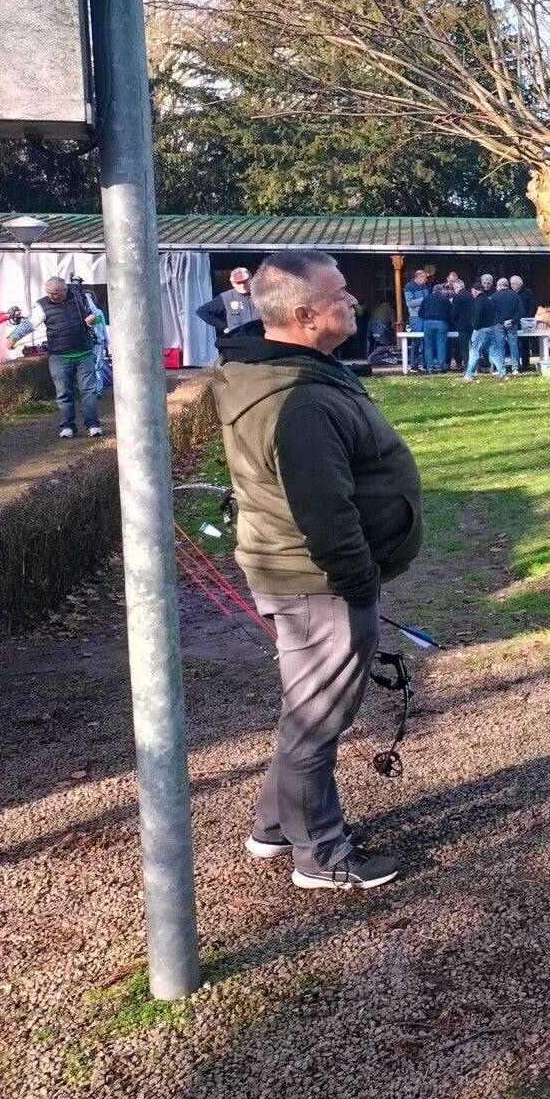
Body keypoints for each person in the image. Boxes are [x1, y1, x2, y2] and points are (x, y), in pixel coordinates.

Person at [211, 250, 422, 891]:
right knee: (317, 720)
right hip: (319, 585)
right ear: (304, 315)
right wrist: (358, 586)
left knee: (309, 708)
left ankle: (275, 827)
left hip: (308, 580)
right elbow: (324, 515)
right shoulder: (297, 399)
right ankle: (322, 857)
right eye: (340, 294)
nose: (353, 301)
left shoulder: (292, 370)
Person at [10, 277, 105, 439]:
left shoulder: (82, 299)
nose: (51, 296)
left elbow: (99, 317)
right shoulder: (42, 305)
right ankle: (68, 426)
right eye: (48, 293)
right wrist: (13, 337)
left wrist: (93, 320)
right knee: (63, 393)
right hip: (59, 356)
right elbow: (29, 324)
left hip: (84, 353)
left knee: (89, 391)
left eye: (55, 293)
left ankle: (93, 425)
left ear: (65, 290)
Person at [196, 266, 261, 339]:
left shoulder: (262, 294)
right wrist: (224, 327)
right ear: (232, 283)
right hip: (237, 340)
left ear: (251, 279)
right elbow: (201, 311)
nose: (242, 285)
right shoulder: (226, 297)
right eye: (238, 283)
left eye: (245, 281)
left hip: (259, 339)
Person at [461, 276, 502, 382]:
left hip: (481, 330)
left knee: (474, 353)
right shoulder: (489, 300)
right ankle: (503, 373)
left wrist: (475, 327)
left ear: (475, 290)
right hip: (491, 328)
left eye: (472, 291)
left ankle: (469, 374)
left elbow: (477, 316)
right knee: (493, 352)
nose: (472, 294)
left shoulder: (478, 301)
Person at [415, 274, 453, 373]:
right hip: (441, 322)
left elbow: (420, 313)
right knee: (441, 345)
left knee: (428, 345)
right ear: (441, 291)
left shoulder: (426, 299)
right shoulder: (445, 300)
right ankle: (440, 366)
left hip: (428, 322)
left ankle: (430, 366)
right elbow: (451, 314)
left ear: (433, 291)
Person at [489, 277, 524, 375]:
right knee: (513, 345)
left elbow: (493, 312)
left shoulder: (494, 296)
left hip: (498, 324)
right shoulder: (515, 296)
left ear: (499, 286)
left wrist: (502, 321)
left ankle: (500, 367)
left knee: (500, 346)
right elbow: (521, 311)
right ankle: (515, 367)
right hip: (512, 324)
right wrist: (512, 321)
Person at [402, 269, 431, 371]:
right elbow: (409, 303)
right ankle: (414, 365)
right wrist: (424, 300)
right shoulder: (409, 287)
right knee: (416, 340)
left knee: (426, 340)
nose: (426, 280)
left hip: (425, 315)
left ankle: (426, 364)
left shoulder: (424, 286)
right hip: (415, 316)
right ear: (419, 277)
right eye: (424, 278)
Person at [511, 274, 538, 370]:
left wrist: (527, 318)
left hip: (525, 321)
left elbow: (533, 306)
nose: (512, 285)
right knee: (514, 344)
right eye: (511, 284)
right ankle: (516, 364)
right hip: (514, 321)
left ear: (520, 284)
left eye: (514, 284)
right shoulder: (511, 294)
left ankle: (526, 364)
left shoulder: (528, 293)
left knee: (525, 344)